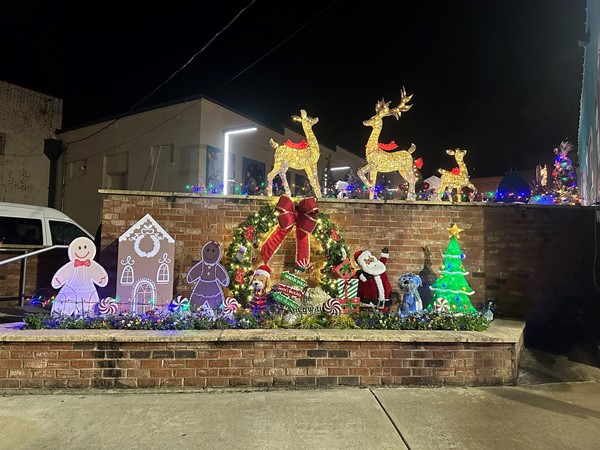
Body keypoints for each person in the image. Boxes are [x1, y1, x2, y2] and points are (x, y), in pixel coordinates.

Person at [353, 247, 392, 312]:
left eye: (370, 257)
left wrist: (384, 255)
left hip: (385, 300)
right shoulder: (365, 274)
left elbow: (382, 263)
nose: (371, 259)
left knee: (385, 313)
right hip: (371, 303)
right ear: (363, 263)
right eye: (367, 259)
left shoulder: (379, 265)